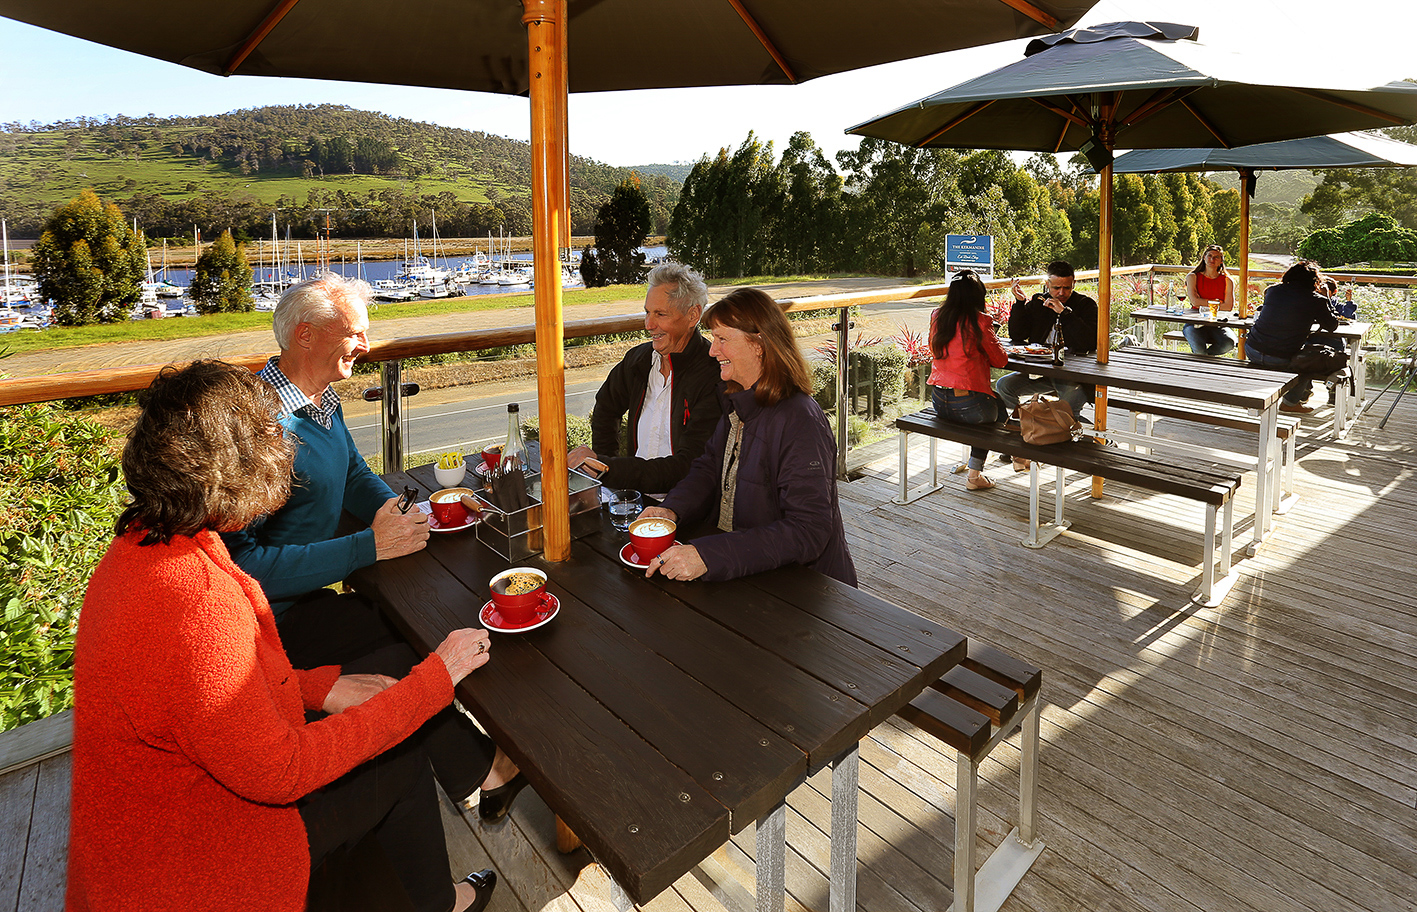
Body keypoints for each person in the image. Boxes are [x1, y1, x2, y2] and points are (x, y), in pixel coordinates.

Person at [68, 360, 499, 912]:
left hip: (152, 829)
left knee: (382, 715)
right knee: (397, 747)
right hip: (201, 865)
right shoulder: (199, 603)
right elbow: (282, 771)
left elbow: (204, 699)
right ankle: (438, 902)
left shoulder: (142, 547)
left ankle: (428, 896)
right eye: (271, 433)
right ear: (238, 464)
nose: (285, 445)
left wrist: (320, 689)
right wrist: (434, 680)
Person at [221, 273, 526, 822]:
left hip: (308, 598)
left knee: (415, 625)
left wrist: (404, 512)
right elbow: (243, 566)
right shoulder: (255, 424)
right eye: (355, 333)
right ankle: (482, 771)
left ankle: (475, 771)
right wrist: (369, 547)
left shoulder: (317, 400)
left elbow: (356, 473)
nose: (366, 346)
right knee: (413, 640)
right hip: (269, 626)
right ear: (306, 335)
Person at [636, 287, 857, 586]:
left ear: (760, 345)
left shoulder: (800, 419)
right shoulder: (738, 399)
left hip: (805, 590)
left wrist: (710, 555)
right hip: (749, 571)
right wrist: (671, 510)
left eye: (723, 339)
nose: (713, 351)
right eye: (714, 339)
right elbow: (708, 467)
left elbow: (809, 530)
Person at [570, 262, 721, 496]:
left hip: (687, 508)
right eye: (647, 312)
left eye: (661, 314)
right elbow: (606, 407)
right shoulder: (638, 361)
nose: (649, 325)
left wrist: (609, 468)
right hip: (636, 501)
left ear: (693, 315)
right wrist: (604, 465)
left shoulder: (713, 375)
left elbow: (687, 466)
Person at [926, 270, 1009, 490]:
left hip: (938, 400)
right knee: (996, 416)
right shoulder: (980, 320)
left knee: (997, 401)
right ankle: (976, 475)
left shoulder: (937, 315)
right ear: (977, 296)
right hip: (968, 405)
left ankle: (1015, 458)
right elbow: (1000, 361)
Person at [996, 260, 1098, 420]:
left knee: (1068, 404)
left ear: (1074, 284)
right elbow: (1017, 335)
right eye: (1056, 288)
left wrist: (1065, 314)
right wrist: (1020, 304)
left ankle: (1069, 435)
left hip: (1073, 376)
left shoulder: (1086, 305)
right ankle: (1025, 424)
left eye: (1067, 288)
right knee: (1004, 385)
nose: (1061, 293)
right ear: (1047, 284)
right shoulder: (1039, 303)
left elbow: (1089, 342)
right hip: (1042, 371)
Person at [1246, 260, 1341, 414]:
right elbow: (1332, 325)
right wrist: (1326, 297)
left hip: (1252, 349)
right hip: (1279, 356)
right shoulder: (1316, 300)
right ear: (1315, 281)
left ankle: (1256, 396)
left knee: (1289, 355)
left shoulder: (1273, 291)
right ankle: (1290, 403)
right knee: (1309, 363)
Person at [1182, 245, 1238, 356]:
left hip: (1218, 324)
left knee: (1229, 343)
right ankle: (1204, 364)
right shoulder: (1193, 277)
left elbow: (1228, 307)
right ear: (1204, 257)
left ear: (1221, 261)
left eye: (1216, 257)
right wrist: (1218, 303)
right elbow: (1195, 302)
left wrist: (1203, 302)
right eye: (1210, 256)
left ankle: (1205, 360)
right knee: (1199, 351)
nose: (1212, 259)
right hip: (1195, 323)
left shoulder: (1227, 280)